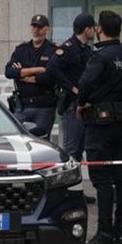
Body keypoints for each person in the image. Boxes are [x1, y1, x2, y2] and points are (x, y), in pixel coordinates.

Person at [76, 11, 122, 244]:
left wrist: (81, 103)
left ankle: (104, 232)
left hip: (100, 123)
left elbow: (85, 84)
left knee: (102, 179)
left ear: (100, 29)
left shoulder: (100, 57)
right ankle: (121, 232)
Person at [47, 13, 96, 161]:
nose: (95, 31)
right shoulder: (68, 48)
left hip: (85, 104)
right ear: (87, 30)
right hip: (72, 105)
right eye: (93, 28)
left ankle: (77, 183)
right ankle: (68, 183)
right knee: (72, 150)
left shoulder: (86, 50)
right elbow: (52, 68)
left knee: (82, 148)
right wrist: (73, 88)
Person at [4, 14, 57, 139]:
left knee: (41, 142)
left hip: (43, 106)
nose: (36, 30)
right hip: (22, 105)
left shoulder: (53, 50)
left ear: (47, 29)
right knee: (18, 139)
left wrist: (22, 73)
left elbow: (51, 75)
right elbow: (9, 72)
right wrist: (36, 70)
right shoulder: (21, 50)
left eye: (39, 27)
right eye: (33, 27)